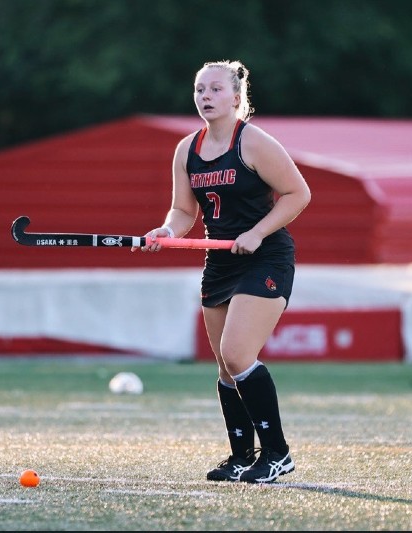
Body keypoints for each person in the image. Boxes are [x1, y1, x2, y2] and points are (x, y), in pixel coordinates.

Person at [134, 59, 311, 483]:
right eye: (199, 90)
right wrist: (167, 231)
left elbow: (298, 193)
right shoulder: (186, 149)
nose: (205, 97)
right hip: (220, 263)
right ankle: (239, 457)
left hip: (265, 257)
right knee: (224, 367)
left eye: (215, 90)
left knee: (237, 354)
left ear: (236, 97)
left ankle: (277, 453)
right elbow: (183, 211)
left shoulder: (253, 142)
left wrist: (257, 231)